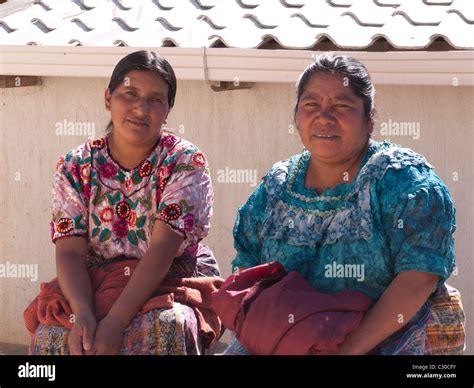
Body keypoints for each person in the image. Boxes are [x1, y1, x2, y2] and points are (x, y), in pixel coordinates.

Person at [223, 53, 465, 355]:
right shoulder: (276, 186)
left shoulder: (403, 181)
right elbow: (248, 266)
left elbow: (419, 277)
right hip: (285, 338)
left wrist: (347, 350)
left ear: (369, 119)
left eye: (342, 106)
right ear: (297, 116)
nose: (324, 117)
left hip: (379, 337)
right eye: (311, 105)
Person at [25, 50, 221, 355]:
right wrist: (83, 314)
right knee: (53, 337)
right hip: (94, 279)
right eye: (129, 94)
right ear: (108, 99)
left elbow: (161, 250)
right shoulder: (76, 165)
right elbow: (70, 252)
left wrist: (115, 322)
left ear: (168, 110)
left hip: (167, 277)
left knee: (165, 327)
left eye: (155, 99)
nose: (141, 108)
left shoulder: (183, 161)